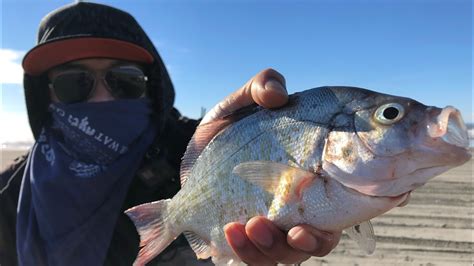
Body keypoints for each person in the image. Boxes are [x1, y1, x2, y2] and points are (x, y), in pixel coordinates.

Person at [0, 2, 341, 266]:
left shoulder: (194, 148)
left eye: (125, 80)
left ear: (153, 86)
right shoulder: (8, 197)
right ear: (45, 96)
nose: (102, 99)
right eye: (73, 84)